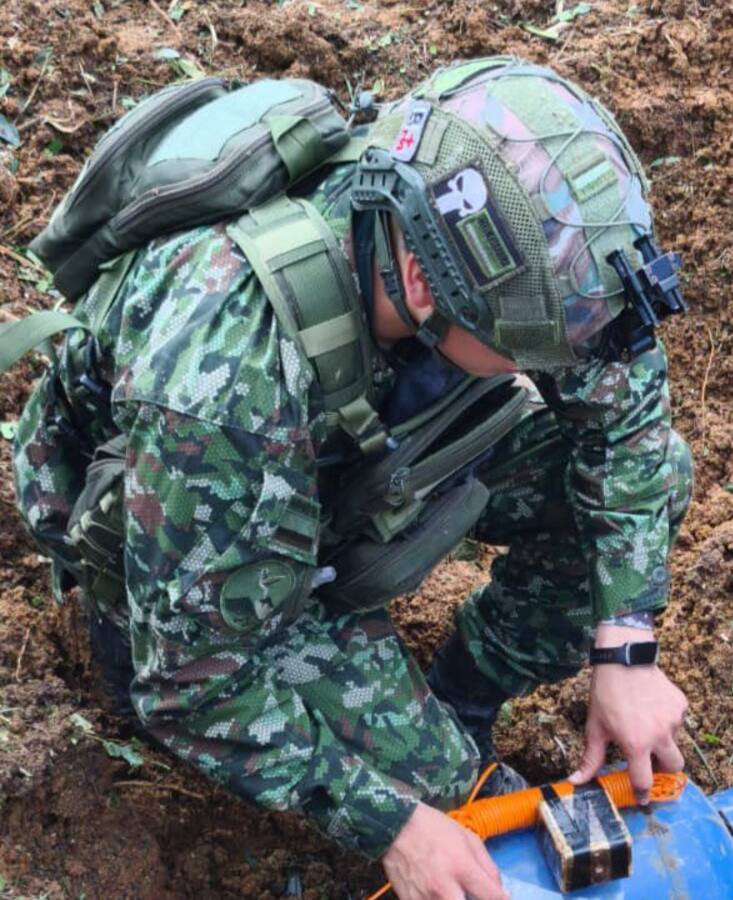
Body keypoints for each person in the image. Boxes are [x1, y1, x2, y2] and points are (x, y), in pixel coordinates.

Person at [10, 57, 692, 899]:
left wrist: (625, 645)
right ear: (420, 285)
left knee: (655, 483)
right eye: (538, 348)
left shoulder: (478, 242)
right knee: (438, 786)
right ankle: (141, 641)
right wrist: (394, 827)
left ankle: (464, 693)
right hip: (187, 540)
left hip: (329, 465)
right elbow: (192, 684)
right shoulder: (228, 383)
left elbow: (624, 411)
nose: (561, 365)